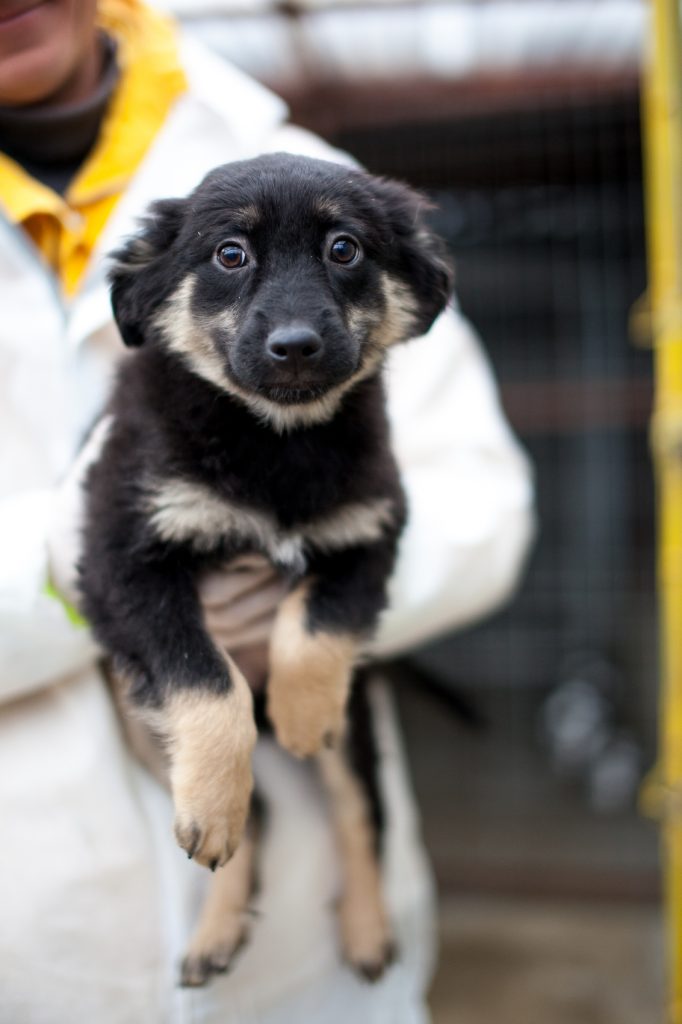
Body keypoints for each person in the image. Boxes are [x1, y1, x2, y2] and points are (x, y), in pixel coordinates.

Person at [0, 1, 534, 1020]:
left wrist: (310, 622)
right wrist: (66, 577)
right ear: (151, 301)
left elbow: (485, 506)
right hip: (35, 933)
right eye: (234, 260)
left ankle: (350, 878)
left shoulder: (302, 161)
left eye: (340, 256)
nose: (292, 329)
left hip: (307, 960)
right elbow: (116, 558)